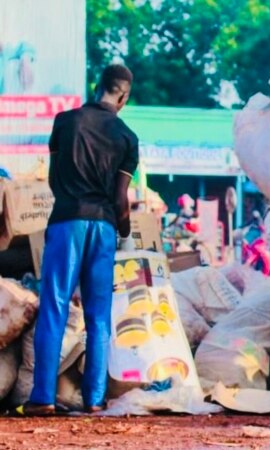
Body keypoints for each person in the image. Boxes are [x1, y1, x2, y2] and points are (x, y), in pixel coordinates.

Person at [19, 65, 138, 416]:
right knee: (98, 315)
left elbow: (55, 180)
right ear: (123, 96)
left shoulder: (64, 121)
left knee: (54, 307)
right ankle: (95, 399)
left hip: (67, 220)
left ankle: (42, 397)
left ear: (97, 87)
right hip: (103, 228)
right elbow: (120, 199)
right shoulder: (127, 136)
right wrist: (126, 234)